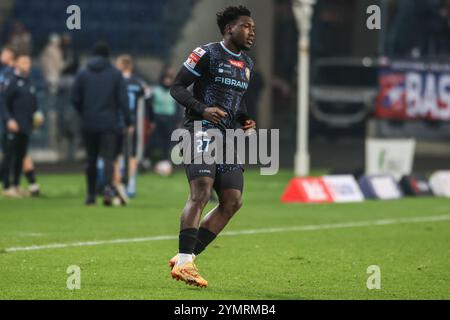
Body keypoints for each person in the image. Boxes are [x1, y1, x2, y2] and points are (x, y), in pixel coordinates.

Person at [168, 5, 257, 287]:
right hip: (199, 129)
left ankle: (185, 257)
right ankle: (184, 261)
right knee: (202, 191)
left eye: (253, 28)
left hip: (228, 136)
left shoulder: (248, 65)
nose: (252, 31)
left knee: (232, 201)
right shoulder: (205, 53)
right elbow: (178, 87)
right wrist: (203, 109)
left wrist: (244, 118)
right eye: (246, 26)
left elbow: (235, 98)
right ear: (230, 28)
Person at [71, 42, 132, 206]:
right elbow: (123, 100)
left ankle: (90, 195)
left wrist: (84, 113)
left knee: (91, 159)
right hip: (109, 123)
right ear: (107, 55)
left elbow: (75, 98)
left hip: (88, 122)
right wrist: (127, 120)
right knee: (108, 159)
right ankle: (107, 190)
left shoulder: (83, 73)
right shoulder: (115, 74)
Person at [115, 54, 153, 199]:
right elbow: (149, 100)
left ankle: (117, 184)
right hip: (135, 122)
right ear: (130, 66)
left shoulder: (115, 81)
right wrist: (151, 120)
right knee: (133, 154)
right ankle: (130, 184)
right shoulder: (139, 83)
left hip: (117, 121)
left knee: (117, 154)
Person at [0, 54, 38, 197]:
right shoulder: (11, 81)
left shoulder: (30, 82)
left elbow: (33, 103)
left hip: (26, 125)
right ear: (16, 64)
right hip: (13, 125)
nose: (26, 65)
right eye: (23, 62)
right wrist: (9, 120)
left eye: (28, 62)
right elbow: (3, 103)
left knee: (20, 156)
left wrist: (36, 115)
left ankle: (15, 185)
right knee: (9, 156)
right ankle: (6, 186)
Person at [146, 66, 181, 173]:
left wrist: (177, 121)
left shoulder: (174, 92)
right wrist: (151, 120)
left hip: (170, 120)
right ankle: (148, 161)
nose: (167, 81)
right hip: (157, 119)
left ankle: (166, 162)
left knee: (168, 143)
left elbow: (177, 108)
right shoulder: (155, 91)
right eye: (166, 78)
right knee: (154, 141)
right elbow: (149, 106)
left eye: (170, 79)